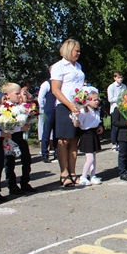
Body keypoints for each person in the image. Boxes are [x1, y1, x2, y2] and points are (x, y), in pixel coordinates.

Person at [51, 38, 85, 187]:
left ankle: (73, 171)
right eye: (76, 50)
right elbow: (55, 89)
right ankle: (63, 172)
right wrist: (70, 105)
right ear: (68, 49)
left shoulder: (78, 66)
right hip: (64, 106)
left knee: (74, 140)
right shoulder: (59, 66)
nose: (78, 53)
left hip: (78, 106)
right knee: (63, 140)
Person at [1, 83, 36, 194]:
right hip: (10, 138)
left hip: (19, 137)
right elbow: (6, 126)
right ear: (7, 95)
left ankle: (25, 182)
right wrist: (21, 128)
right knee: (10, 162)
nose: (19, 96)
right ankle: (12, 186)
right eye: (17, 94)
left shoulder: (18, 106)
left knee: (26, 159)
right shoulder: (4, 108)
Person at [73, 88, 103, 186]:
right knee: (90, 159)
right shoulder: (83, 111)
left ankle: (93, 176)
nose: (97, 102)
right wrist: (76, 116)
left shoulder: (96, 111)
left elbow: (96, 122)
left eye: (98, 100)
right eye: (94, 100)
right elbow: (76, 124)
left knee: (94, 158)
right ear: (88, 101)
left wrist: (100, 127)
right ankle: (83, 177)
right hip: (86, 135)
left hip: (93, 134)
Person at [38, 69, 58, 163]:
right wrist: (43, 108)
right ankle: (44, 154)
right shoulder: (46, 84)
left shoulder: (59, 83)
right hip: (49, 109)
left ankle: (57, 153)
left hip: (57, 109)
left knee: (57, 132)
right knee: (46, 131)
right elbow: (40, 97)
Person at [107, 72, 127, 151]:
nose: (120, 79)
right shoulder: (111, 87)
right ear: (115, 78)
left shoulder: (124, 86)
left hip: (123, 108)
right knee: (115, 127)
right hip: (115, 108)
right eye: (119, 78)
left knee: (121, 126)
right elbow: (110, 99)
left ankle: (120, 142)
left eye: (121, 77)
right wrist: (120, 98)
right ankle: (114, 143)